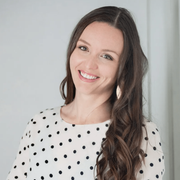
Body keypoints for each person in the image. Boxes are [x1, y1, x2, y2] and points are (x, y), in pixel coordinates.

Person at [6, 6, 165, 180]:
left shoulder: (141, 133)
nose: (89, 64)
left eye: (106, 56)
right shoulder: (39, 124)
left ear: (123, 69)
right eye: (83, 48)